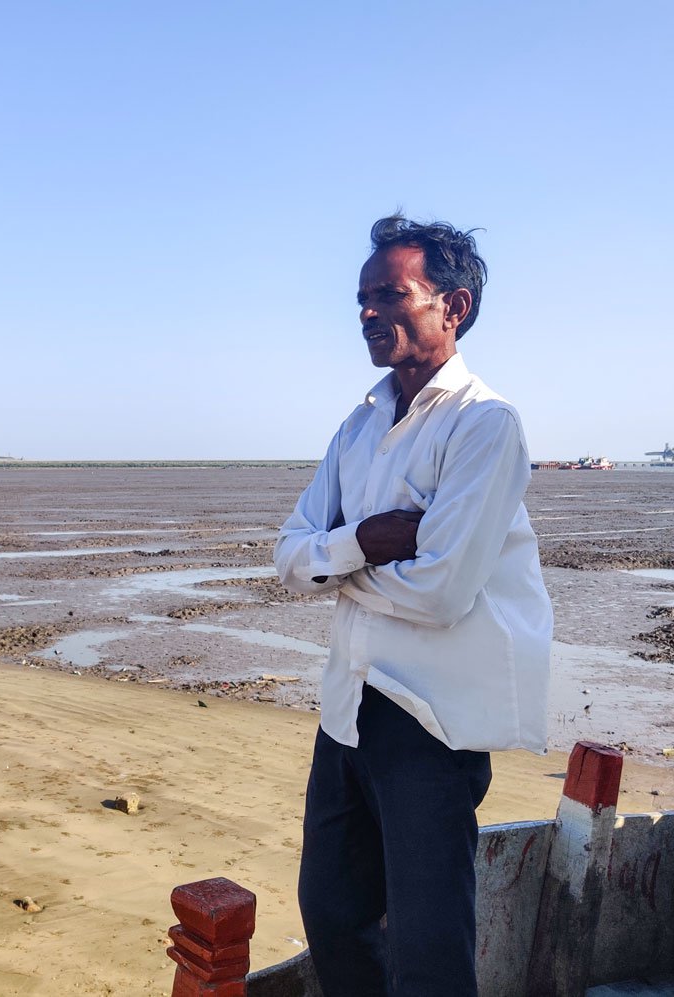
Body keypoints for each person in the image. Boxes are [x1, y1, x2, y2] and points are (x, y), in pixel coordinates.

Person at [273, 215, 552, 996]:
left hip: (430, 723)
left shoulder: (484, 425)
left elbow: (440, 593)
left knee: (430, 952)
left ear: (452, 305)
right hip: (347, 708)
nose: (366, 312)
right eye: (360, 299)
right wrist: (363, 540)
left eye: (389, 294)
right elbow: (289, 556)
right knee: (331, 917)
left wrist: (335, 566)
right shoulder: (358, 425)